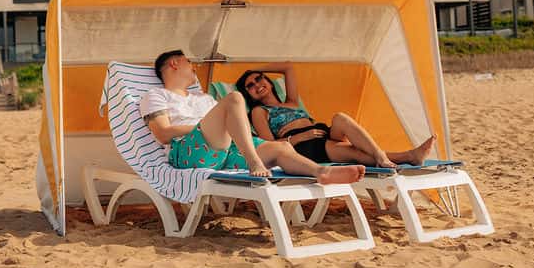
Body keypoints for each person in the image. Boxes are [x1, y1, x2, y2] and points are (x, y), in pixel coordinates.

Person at [140, 50, 365, 183]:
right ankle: (253, 160)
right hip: (188, 153)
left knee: (282, 149)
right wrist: (211, 126)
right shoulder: (155, 95)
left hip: (225, 152)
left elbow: (227, 126)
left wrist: (223, 127)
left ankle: (321, 172)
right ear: (175, 63)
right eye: (189, 63)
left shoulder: (204, 98)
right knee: (235, 99)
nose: (195, 67)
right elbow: (163, 133)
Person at [236, 64, 435, 169]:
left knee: (340, 118)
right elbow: (268, 145)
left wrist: (252, 67)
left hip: (320, 132)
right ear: (249, 94)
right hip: (302, 145)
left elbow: (288, 67)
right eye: (250, 86)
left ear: (268, 81)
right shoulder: (258, 112)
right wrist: (299, 138)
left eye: (259, 78)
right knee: (352, 153)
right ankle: (406, 156)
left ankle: (385, 155)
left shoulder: (291, 101)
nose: (256, 85)